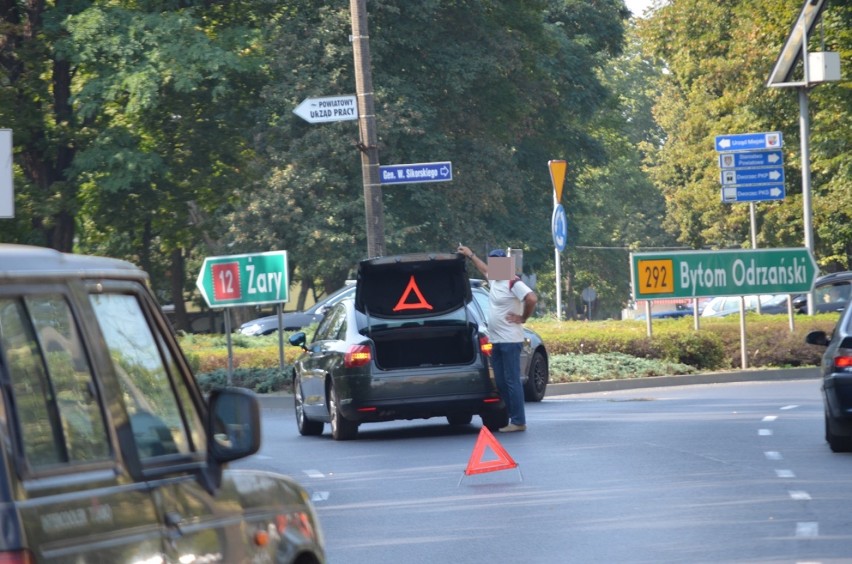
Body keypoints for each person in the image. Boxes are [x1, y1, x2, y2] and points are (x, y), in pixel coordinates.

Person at [458, 245, 537, 432]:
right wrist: (470, 254)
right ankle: (513, 417)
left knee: (512, 381)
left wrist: (523, 317)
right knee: (501, 382)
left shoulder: (513, 282)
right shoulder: (494, 279)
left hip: (511, 341)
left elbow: (531, 298)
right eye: (494, 263)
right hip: (496, 341)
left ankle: (518, 421)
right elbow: (483, 268)